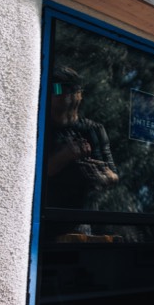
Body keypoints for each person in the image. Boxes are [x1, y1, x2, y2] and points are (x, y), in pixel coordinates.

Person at [46, 66, 119, 235]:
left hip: (80, 226)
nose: (66, 95)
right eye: (57, 88)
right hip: (45, 222)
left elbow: (113, 175)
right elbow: (33, 176)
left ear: (80, 94)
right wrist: (64, 156)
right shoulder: (40, 127)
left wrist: (103, 176)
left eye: (73, 89)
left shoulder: (93, 130)